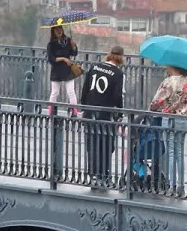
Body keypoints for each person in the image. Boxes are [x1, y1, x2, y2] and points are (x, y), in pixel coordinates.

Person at [78, 45, 127, 189]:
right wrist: (119, 113)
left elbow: (85, 89)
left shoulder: (94, 67)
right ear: (121, 58)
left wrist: (84, 107)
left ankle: (93, 174)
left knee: (91, 144)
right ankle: (104, 175)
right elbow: (117, 96)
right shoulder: (118, 74)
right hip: (106, 114)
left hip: (90, 111)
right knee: (106, 145)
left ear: (109, 55)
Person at [149, 64, 187, 194]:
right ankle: (181, 185)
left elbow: (156, 101)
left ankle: (172, 185)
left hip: (169, 119)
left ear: (172, 66)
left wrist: (152, 108)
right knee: (180, 153)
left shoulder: (168, 81)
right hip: (182, 120)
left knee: (170, 153)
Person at [46, 21, 81, 113]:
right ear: (53, 31)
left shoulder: (68, 40)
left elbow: (74, 53)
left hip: (67, 70)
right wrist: (64, 59)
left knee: (71, 91)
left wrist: (74, 46)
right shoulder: (51, 44)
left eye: (60, 28)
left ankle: (74, 111)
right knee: (55, 92)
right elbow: (51, 59)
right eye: (56, 29)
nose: (59, 31)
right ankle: (51, 111)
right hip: (57, 70)